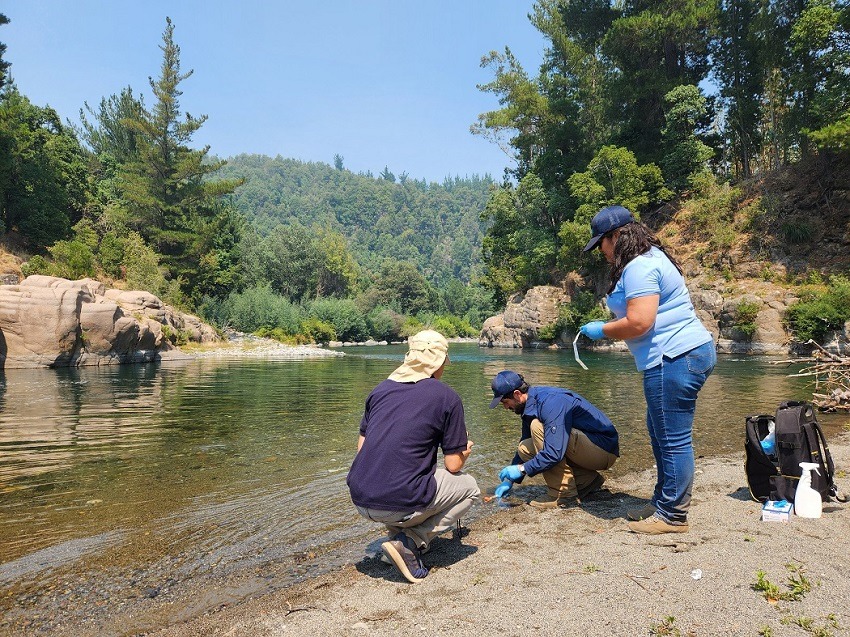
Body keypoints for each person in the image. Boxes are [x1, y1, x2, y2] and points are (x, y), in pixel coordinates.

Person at [579, 204, 716, 535]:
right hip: (681, 354)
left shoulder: (640, 266)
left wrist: (602, 329)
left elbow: (640, 322)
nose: (601, 252)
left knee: (672, 438)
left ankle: (672, 516)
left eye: (601, 244)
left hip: (674, 357)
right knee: (660, 432)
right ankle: (663, 502)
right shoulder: (651, 257)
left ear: (616, 237)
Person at [347, 329, 480, 583]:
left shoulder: (379, 391)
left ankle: (395, 540)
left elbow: (362, 449)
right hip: (396, 503)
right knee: (470, 487)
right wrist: (466, 449)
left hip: (360, 497)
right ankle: (411, 541)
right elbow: (453, 465)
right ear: (439, 362)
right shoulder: (447, 397)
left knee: (401, 472)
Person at [489, 370, 619, 508]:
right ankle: (587, 481)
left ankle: (564, 494)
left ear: (517, 394)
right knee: (524, 448)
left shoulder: (550, 403)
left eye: (505, 402)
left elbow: (553, 453)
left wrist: (522, 469)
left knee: (537, 427)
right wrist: (510, 480)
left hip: (603, 451)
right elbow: (527, 440)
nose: (505, 407)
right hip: (588, 448)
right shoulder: (530, 404)